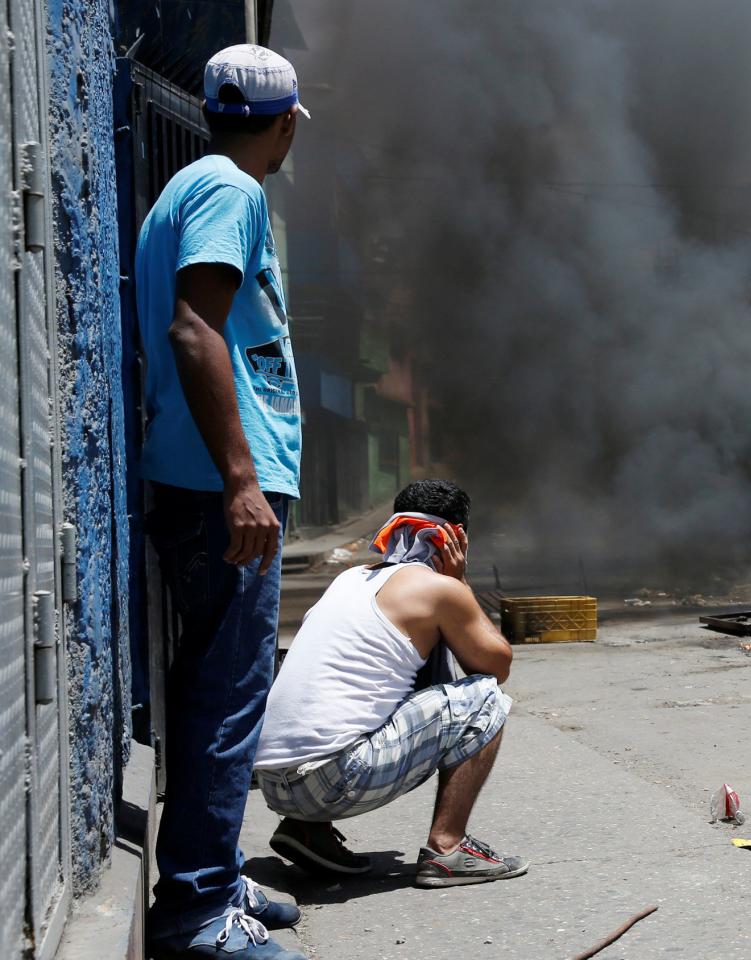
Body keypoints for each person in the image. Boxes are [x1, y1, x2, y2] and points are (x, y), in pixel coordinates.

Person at [139, 44, 311, 960]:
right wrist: (244, 481)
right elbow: (194, 327)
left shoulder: (192, 182)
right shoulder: (233, 192)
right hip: (219, 492)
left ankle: (215, 872)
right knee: (228, 695)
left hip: (209, 485)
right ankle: (198, 913)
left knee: (217, 689)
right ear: (283, 123)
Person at [253, 479, 527, 890]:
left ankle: (307, 830)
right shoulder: (438, 589)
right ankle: (448, 848)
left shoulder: (349, 579)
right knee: (485, 697)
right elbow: (496, 663)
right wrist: (460, 584)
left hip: (276, 786)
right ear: (458, 539)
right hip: (333, 781)